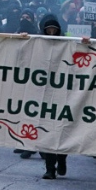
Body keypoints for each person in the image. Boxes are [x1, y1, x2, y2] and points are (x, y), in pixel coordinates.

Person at [37, 15, 70, 180]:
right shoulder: (37, 44)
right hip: (43, 95)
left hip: (63, 95)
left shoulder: (66, 44)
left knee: (62, 133)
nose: (51, 33)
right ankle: (50, 168)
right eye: (48, 30)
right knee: (47, 133)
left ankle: (62, 159)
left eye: (54, 30)